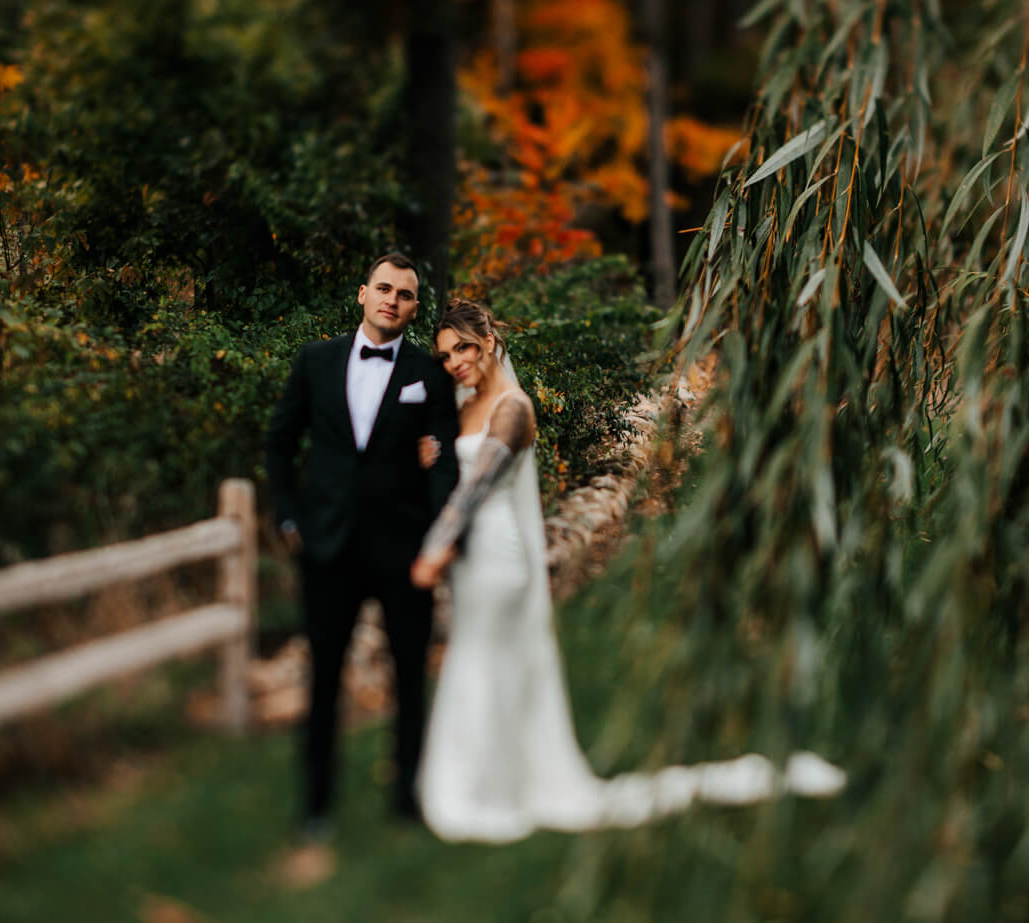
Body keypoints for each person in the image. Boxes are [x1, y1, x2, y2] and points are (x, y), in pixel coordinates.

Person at [408, 298, 845, 843]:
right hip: (471, 563)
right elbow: (450, 468)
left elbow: (475, 491)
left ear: (490, 342)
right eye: (446, 354)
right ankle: (477, 782)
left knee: (483, 663)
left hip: (497, 557)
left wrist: (435, 548)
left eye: (463, 348)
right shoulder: (464, 402)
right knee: (478, 660)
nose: (454, 361)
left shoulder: (511, 408)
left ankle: (482, 792)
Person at [264, 253, 461, 840]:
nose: (391, 300)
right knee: (323, 678)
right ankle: (316, 806)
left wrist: (437, 539)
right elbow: (280, 444)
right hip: (327, 550)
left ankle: (407, 801)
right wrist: (290, 521)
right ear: (362, 294)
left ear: (414, 308)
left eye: (404, 294)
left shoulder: (429, 373)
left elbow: (445, 462)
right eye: (383, 289)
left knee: (408, 677)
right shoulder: (315, 361)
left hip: (403, 554)